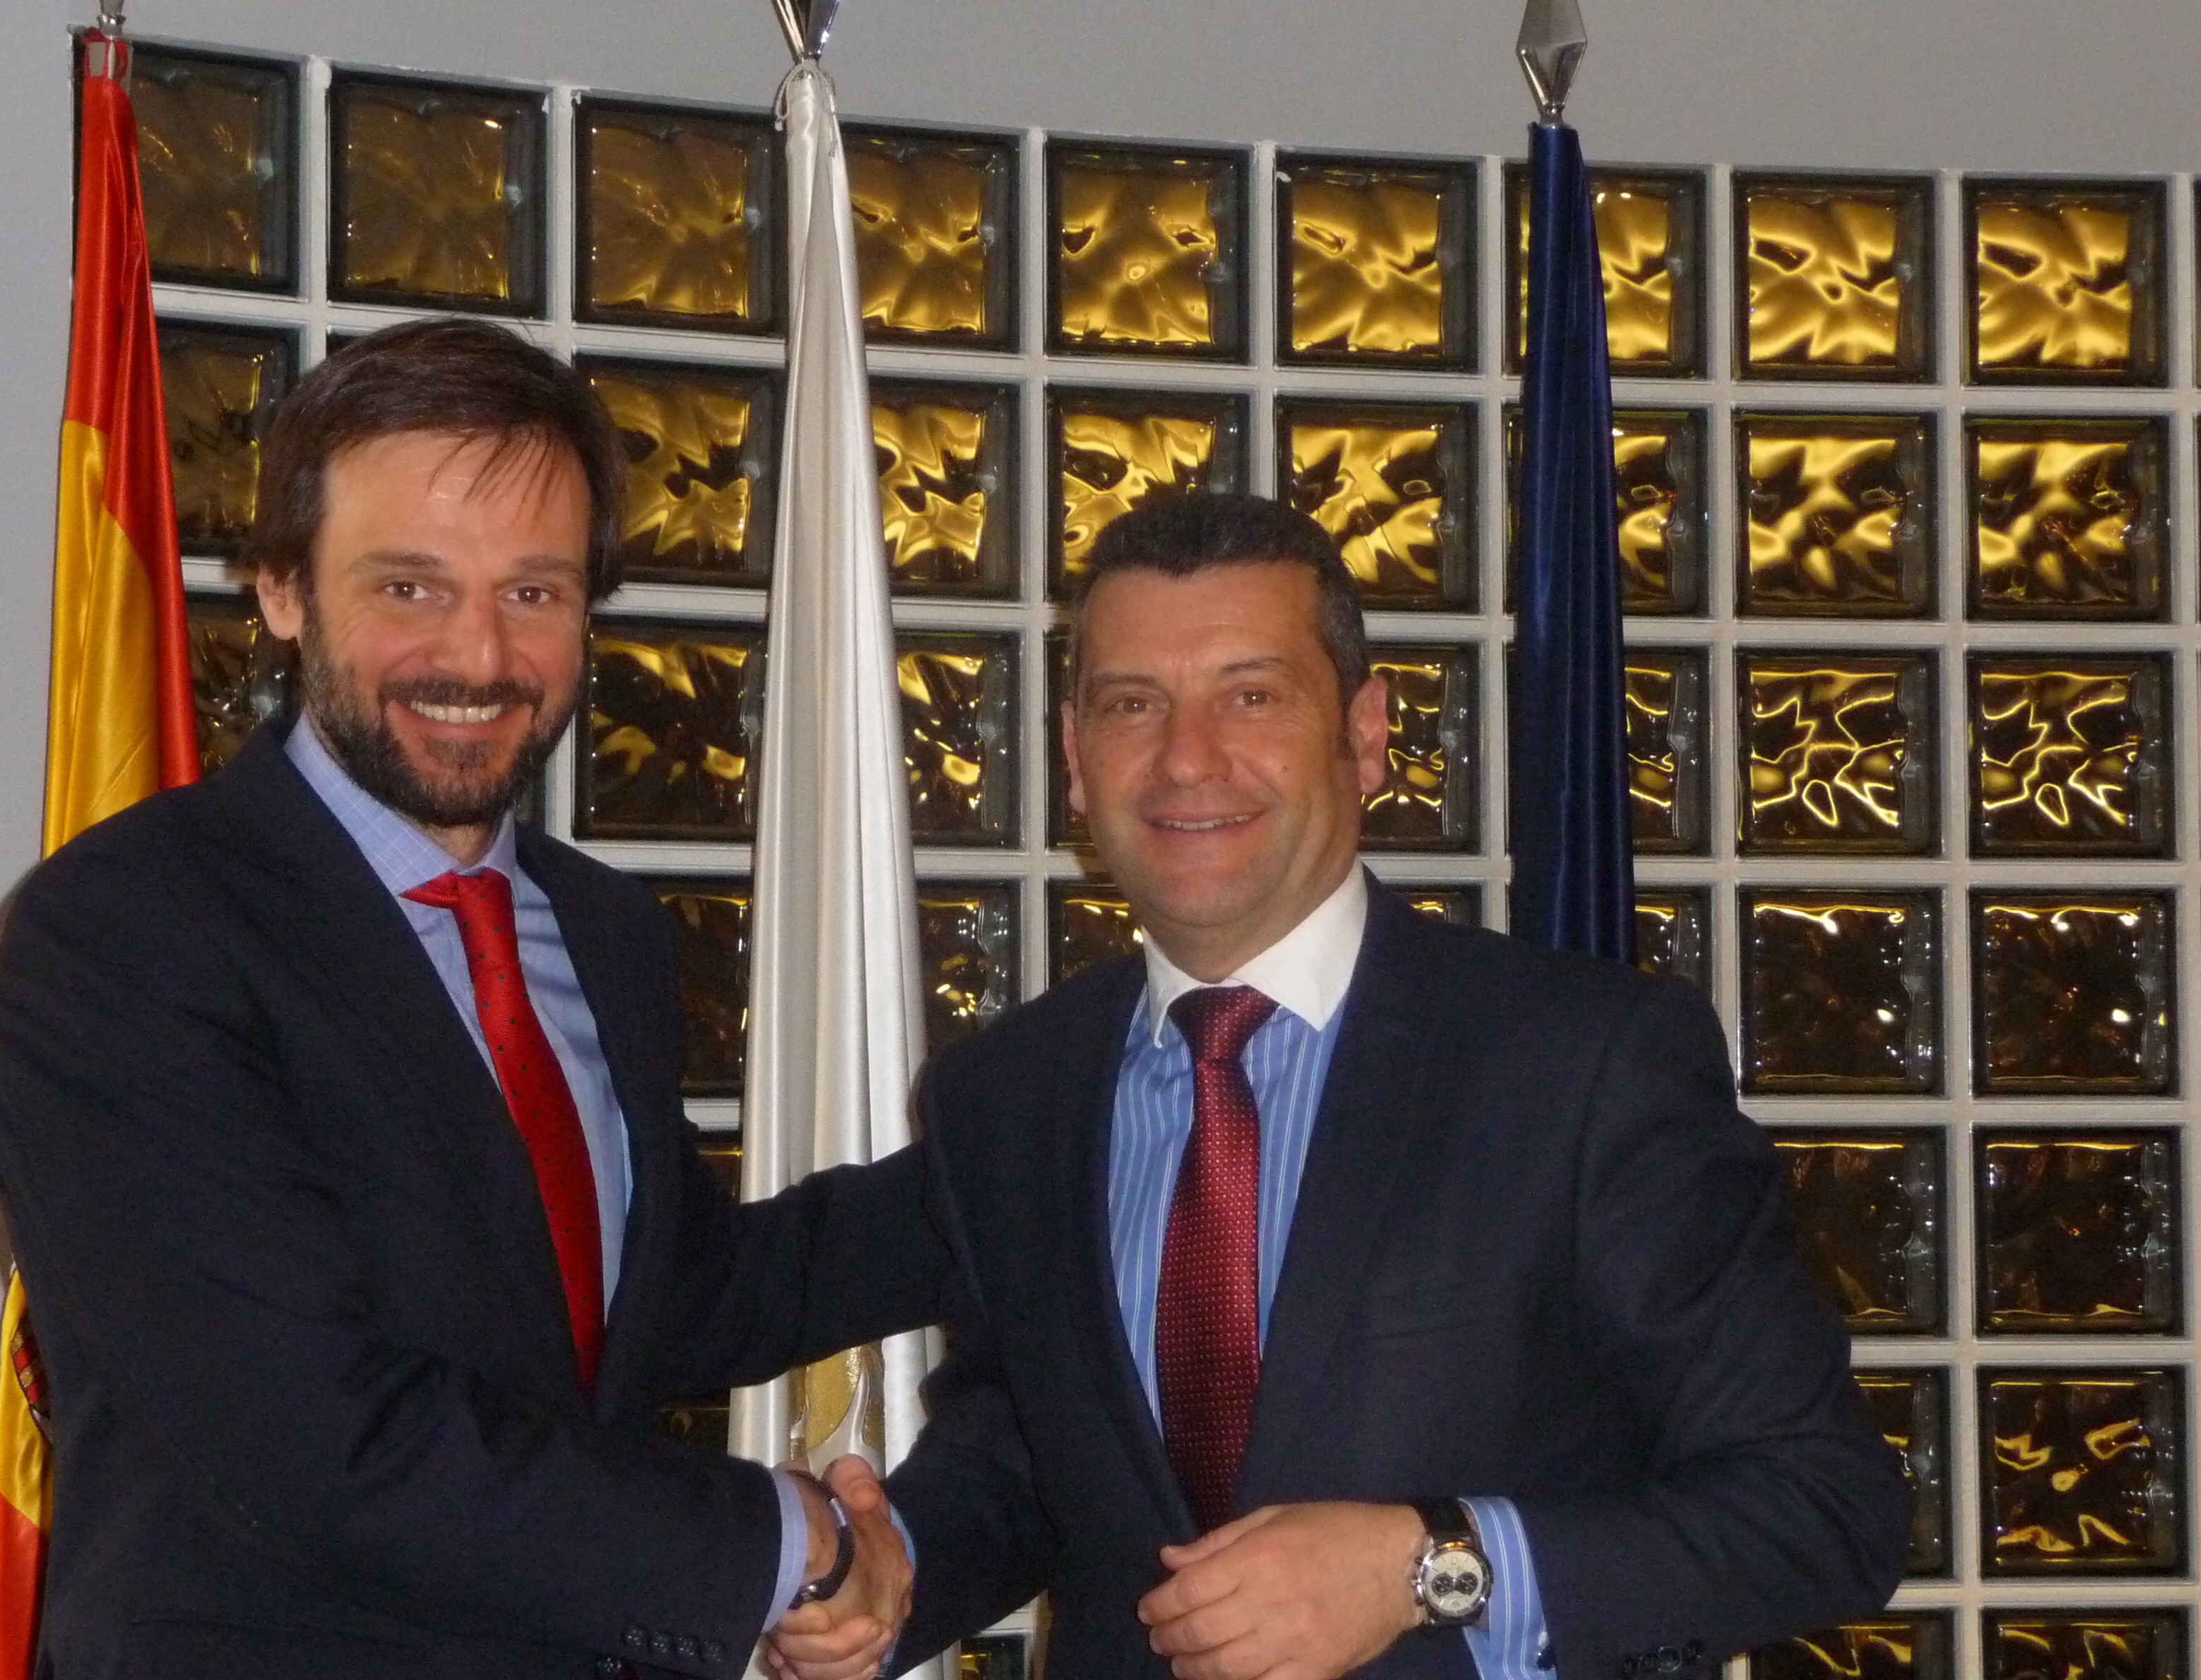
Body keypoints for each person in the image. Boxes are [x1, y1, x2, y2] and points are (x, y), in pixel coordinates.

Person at [772, 492, 1909, 1680]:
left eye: (1252, 696)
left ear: (1365, 735)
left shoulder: (1583, 1065)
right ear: (1072, 756)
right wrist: (895, 1563)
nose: (1187, 758)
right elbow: (1029, 1461)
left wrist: (1430, 1567)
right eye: (1132, 704)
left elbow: (1824, 1507)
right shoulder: (1005, 1094)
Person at [0, 318, 925, 1680]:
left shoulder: (603, 932)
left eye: (533, 591)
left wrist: (1035, 1154)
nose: (478, 657)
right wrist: (788, 1542)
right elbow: (312, 1442)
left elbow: (663, 1296)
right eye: (410, 587)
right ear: (283, 591)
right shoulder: (130, 932)